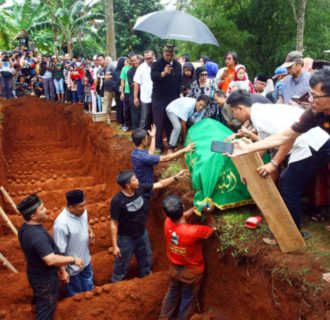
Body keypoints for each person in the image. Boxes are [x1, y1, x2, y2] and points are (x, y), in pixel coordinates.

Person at [226, 89, 329, 240]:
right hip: (311, 142)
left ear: (240, 108)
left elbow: (288, 138)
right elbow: (264, 144)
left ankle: (291, 234)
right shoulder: (259, 113)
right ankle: (292, 229)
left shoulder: (259, 116)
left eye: (233, 112)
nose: (234, 116)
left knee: (289, 185)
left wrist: (273, 164)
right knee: (288, 182)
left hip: (313, 144)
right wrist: (248, 171)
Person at [110, 169, 189, 282]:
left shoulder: (140, 188)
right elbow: (114, 223)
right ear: (128, 185)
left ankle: (146, 279)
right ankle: (116, 282)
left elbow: (160, 184)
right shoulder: (117, 201)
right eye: (134, 179)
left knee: (146, 258)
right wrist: (115, 246)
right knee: (122, 263)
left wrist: (176, 177)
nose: (137, 181)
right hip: (126, 238)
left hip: (142, 234)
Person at [17, 195, 83, 320]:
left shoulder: (25, 228)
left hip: (35, 274)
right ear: (33, 216)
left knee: (39, 298)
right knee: (46, 310)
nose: (46, 210)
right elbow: (50, 259)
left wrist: (62, 271)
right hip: (45, 281)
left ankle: (36, 307)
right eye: (42, 209)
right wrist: (73, 259)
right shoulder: (37, 236)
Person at [159, 195, 214, 320]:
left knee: (172, 293)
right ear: (182, 207)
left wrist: (196, 207)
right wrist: (209, 213)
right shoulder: (193, 231)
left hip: (174, 269)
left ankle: (164, 317)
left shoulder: (167, 223)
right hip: (191, 273)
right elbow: (211, 228)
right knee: (187, 299)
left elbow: (181, 217)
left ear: (165, 213)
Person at [53, 190, 95, 297]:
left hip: (86, 260)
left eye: (84, 204)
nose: (84, 208)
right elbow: (59, 252)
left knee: (89, 288)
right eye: (81, 206)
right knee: (76, 296)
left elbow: (85, 220)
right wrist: (63, 272)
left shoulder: (82, 211)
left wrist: (90, 231)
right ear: (71, 207)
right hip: (72, 269)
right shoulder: (61, 224)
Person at [151, 44, 182, 152]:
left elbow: (179, 81)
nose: (169, 56)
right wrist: (164, 73)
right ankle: (158, 145)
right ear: (163, 53)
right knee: (158, 123)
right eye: (167, 54)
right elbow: (153, 77)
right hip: (158, 98)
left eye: (171, 54)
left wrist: (180, 94)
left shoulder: (178, 65)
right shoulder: (156, 64)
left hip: (172, 99)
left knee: (171, 122)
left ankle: (171, 144)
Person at [133, 50, 155, 130]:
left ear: (154, 56)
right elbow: (136, 82)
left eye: (150, 58)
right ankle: (142, 138)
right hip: (145, 98)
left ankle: (156, 137)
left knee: (157, 119)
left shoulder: (158, 65)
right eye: (146, 58)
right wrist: (135, 97)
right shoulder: (141, 68)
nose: (148, 60)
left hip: (157, 97)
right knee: (144, 119)